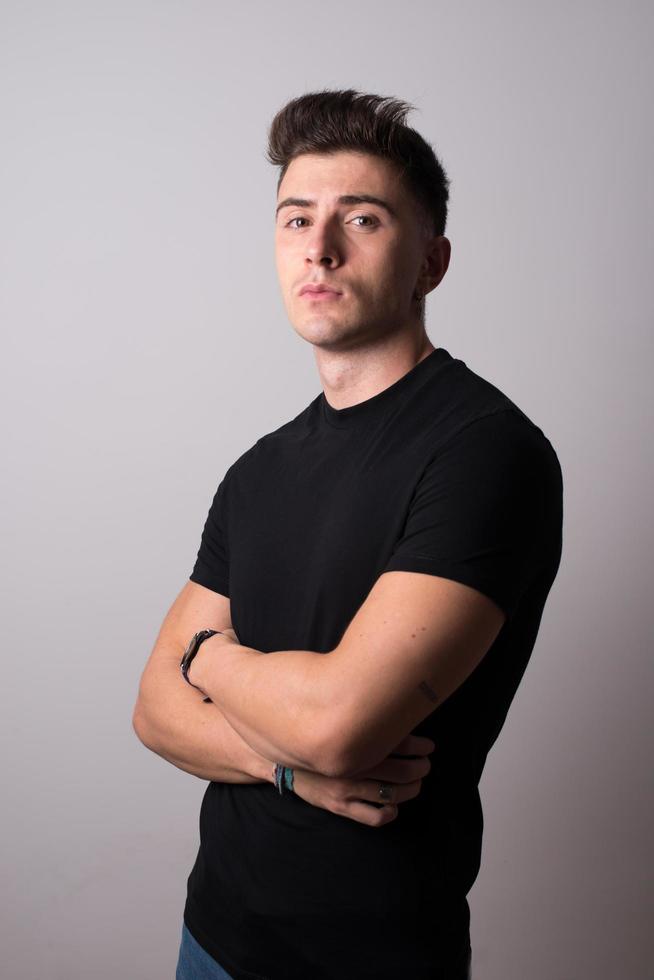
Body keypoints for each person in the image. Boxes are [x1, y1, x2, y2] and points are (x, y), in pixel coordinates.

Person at [132, 88, 563, 980]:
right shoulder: (259, 469)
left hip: (372, 957)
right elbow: (153, 714)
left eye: (361, 219)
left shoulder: (486, 452)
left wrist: (208, 659)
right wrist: (288, 770)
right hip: (211, 935)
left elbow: (338, 728)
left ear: (431, 261)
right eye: (297, 220)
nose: (318, 247)